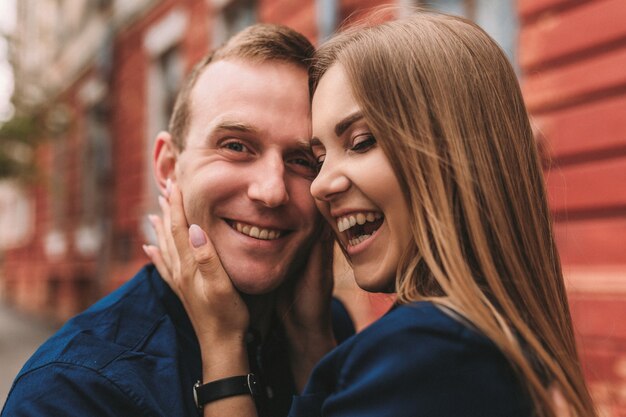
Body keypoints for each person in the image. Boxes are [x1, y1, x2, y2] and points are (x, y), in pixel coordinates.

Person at [147, 10, 598, 417]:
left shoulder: (427, 351)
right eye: (318, 158)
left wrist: (222, 347)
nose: (321, 185)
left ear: (454, 154)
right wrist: (311, 343)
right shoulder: (476, 331)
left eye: (361, 143)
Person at [1, 24, 354, 417]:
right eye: (236, 146)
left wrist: (313, 348)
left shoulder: (330, 329)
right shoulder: (73, 389)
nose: (272, 191)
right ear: (168, 167)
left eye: (303, 160)